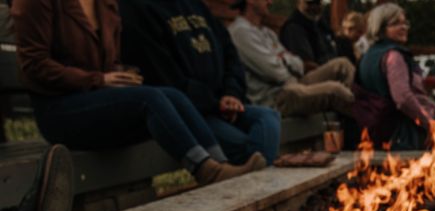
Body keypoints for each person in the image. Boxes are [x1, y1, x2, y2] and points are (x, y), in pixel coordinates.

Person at [10, 0, 262, 186]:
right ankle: (207, 171)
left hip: (96, 99)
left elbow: (109, 60)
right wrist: (98, 79)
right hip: (60, 111)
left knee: (173, 95)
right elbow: (34, 66)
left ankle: (221, 164)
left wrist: (120, 74)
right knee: (149, 99)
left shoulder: (104, 3)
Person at [119, 0, 281, 165]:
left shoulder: (196, 5)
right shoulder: (137, 8)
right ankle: (258, 175)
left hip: (225, 104)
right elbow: (162, 75)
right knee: (246, 149)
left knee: (268, 116)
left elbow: (231, 55)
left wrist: (231, 93)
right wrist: (215, 104)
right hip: (188, 113)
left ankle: (259, 174)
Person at [228, 0, 354, 117]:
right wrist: (285, 61)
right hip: (276, 97)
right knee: (335, 90)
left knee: (343, 65)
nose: (270, 1)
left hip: (293, 82)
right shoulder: (241, 32)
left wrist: (282, 60)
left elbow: (298, 64)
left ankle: (352, 110)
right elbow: (276, 73)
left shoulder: (267, 32)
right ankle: (354, 123)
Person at [354, 3, 435, 150]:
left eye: (405, 23)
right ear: (381, 28)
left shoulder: (368, 55)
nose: (404, 27)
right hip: (398, 135)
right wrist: (429, 123)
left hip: (373, 132)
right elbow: (403, 99)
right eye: (396, 23)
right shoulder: (393, 56)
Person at [280, 0, 338, 72]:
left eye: (317, 3)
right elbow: (306, 62)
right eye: (310, 3)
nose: (314, 7)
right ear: (298, 2)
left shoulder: (321, 24)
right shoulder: (294, 27)